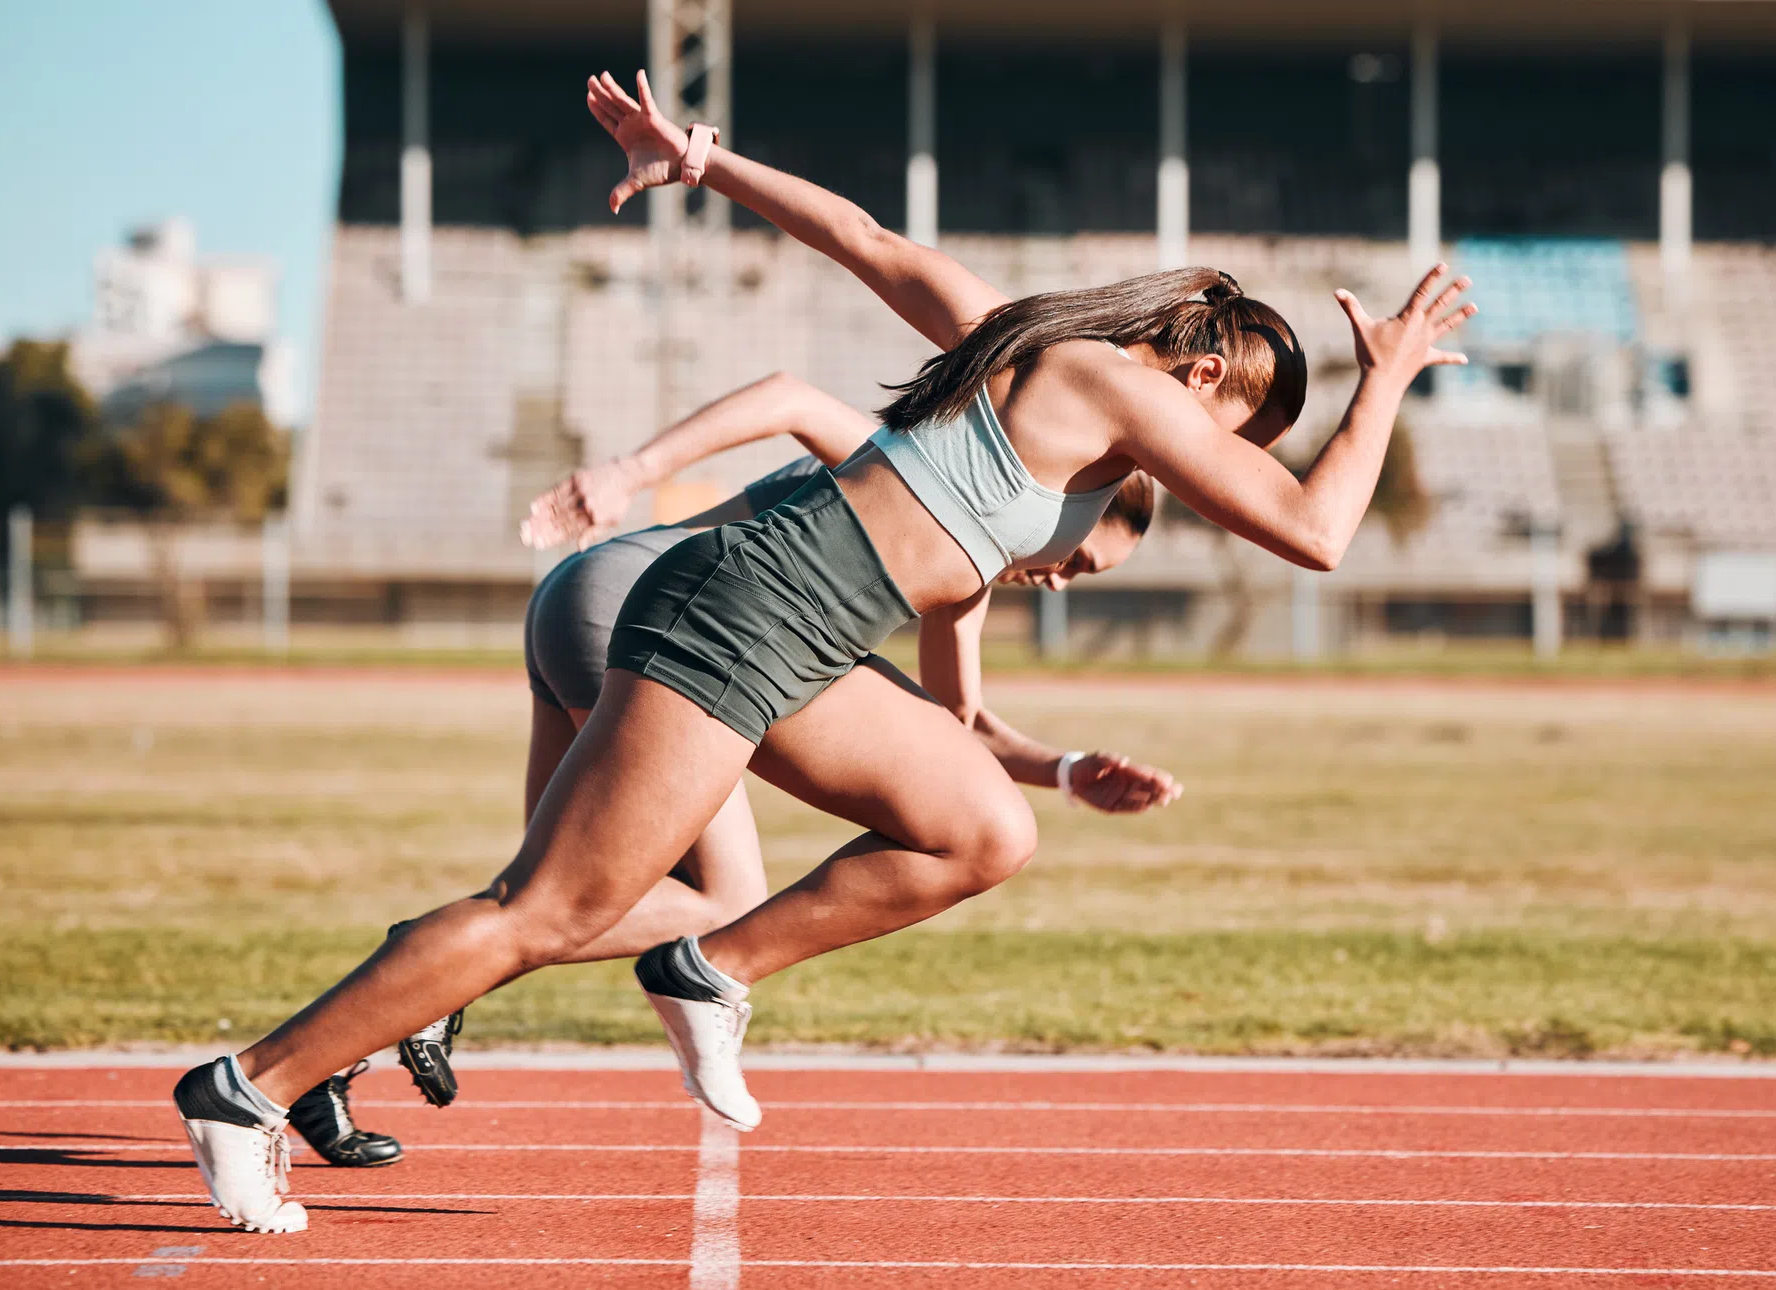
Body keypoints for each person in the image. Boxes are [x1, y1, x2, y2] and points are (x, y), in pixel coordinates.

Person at [172, 68, 1474, 1233]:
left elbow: (858, 236)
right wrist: (1387, 379)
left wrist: (701, 162)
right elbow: (1312, 532)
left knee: (980, 829)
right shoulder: (1117, 377)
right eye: (1241, 430)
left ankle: (708, 965)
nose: (1224, 466)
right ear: (1199, 374)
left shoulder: (1023, 353)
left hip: (803, 634)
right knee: (551, 908)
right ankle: (249, 1088)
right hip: (746, 608)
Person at [292, 378, 1168, 1159]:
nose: (1058, 579)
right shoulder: (932, 470)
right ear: (1074, 494)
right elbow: (789, 398)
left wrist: (1064, 769)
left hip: (589, 596)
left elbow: (957, 723)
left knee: (545, 899)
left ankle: (324, 1054)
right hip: (653, 611)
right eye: (1078, 556)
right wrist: (627, 470)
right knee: (713, 902)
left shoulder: (967, 558)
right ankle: (397, 997)